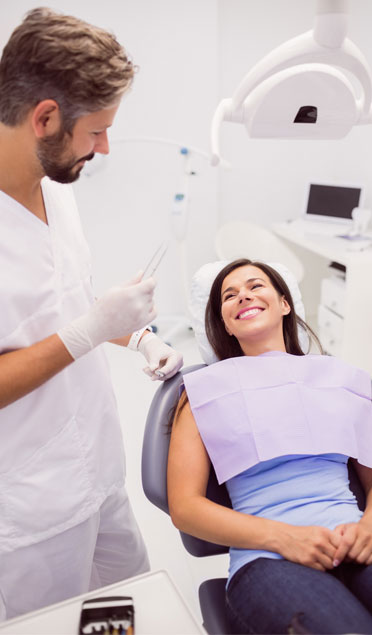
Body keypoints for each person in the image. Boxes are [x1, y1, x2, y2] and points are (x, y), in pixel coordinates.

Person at [0, 7, 183, 620]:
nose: (105, 147)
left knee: (130, 610)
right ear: (44, 117)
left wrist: (135, 338)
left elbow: (68, 302)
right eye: (97, 131)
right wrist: (91, 329)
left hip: (99, 475)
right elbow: (76, 328)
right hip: (31, 509)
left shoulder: (56, 185)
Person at [168, 257, 372, 634]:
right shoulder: (201, 393)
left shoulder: (339, 376)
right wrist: (284, 537)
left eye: (255, 285)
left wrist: (369, 526)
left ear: (284, 303)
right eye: (229, 296)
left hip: (356, 540)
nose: (243, 296)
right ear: (225, 323)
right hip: (268, 558)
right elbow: (185, 507)